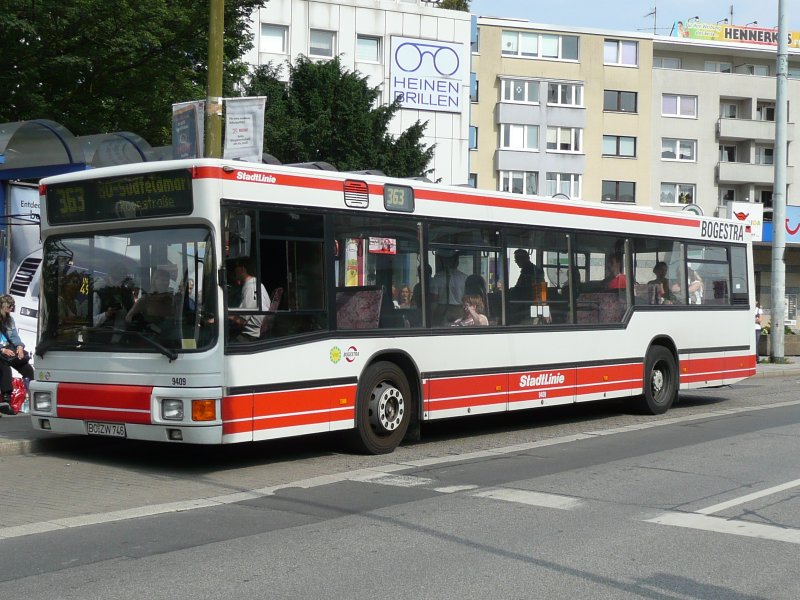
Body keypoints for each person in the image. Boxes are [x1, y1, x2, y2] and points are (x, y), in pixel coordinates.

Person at [0, 294, 34, 415]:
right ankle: (6, 397)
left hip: (9, 349)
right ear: (2, 306)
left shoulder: (9, 319)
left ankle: (35, 395)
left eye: (13, 306)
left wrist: (19, 346)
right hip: (2, 351)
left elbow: (14, 335)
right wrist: (2, 350)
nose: (11, 308)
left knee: (26, 366)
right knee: (3, 363)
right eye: (9, 306)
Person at [228, 259, 270, 342]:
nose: (233, 271)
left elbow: (241, 321)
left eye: (235, 268)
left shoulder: (251, 287)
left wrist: (223, 317)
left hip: (250, 336)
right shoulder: (254, 283)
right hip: (254, 333)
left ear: (243, 269)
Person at [93, 263, 135, 329]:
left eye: (122, 280)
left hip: (127, 335)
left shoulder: (128, 294)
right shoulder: (99, 293)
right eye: (115, 278)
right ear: (108, 277)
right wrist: (106, 314)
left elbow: (134, 318)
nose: (118, 282)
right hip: (104, 335)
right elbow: (91, 322)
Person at [430, 253, 468, 324]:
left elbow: (434, 300)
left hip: (442, 309)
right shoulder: (465, 278)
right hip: (459, 310)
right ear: (457, 262)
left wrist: (432, 315)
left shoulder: (438, 277)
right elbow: (466, 299)